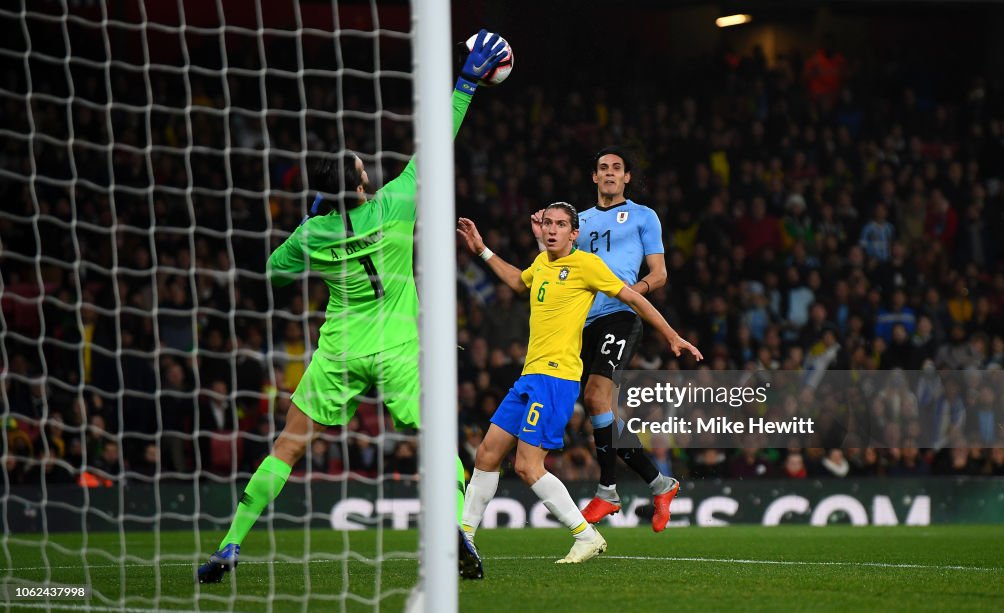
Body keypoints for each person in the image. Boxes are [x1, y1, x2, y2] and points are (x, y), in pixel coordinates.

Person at [196, 30, 509, 584]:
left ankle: (230, 544)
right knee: (439, 443)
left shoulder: (312, 234)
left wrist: (315, 220)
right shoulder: (395, 203)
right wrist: (465, 84)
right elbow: (438, 143)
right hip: (398, 349)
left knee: (288, 446)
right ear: (363, 183)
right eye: (362, 165)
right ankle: (456, 531)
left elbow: (271, 271)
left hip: (340, 349)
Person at [457, 203, 702, 564]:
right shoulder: (542, 264)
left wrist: (672, 335)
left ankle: (585, 535)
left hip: (556, 379)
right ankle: (463, 539)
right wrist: (482, 250)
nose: (551, 230)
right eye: (547, 224)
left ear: (575, 234)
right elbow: (515, 280)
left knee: (527, 466)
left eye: (560, 225)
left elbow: (633, 297)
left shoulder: (586, 265)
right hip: (529, 376)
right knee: (487, 455)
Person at [531, 147, 678, 531]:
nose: (610, 173)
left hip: (621, 315)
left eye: (617, 168)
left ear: (627, 177)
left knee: (596, 396)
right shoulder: (577, 222)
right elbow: (558, 266)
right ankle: (660, 483)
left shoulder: (644, 216)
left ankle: (608, 490)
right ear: (594, 177)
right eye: (603, 168)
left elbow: (659, 273)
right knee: (600, 409)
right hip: (582, 322)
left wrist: (630, 292)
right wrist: (542, 237)